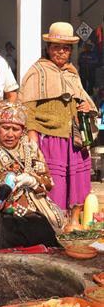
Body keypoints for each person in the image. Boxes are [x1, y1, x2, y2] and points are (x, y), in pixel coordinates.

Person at [19, 22, 98, 223]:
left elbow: (82, 97)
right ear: (48, 48)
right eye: (56, 47)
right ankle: (54, 222)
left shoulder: (72, 72)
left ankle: (73, 222)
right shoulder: (37, 72)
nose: (61, 52)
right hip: (50, 136)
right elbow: (26, 107)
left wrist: (85, 108)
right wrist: (32, 135)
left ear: (71, 50)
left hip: (74, 136)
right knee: (55, 182)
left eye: (65, 48)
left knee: (78, 180)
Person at [0, 101, 61, 249]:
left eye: (15, 129)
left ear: (22, 131)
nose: (10, 134)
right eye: (5, 128)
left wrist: (32, 181)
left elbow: (47, 183)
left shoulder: (30, 148)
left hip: (25, 209)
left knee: (43, 231)